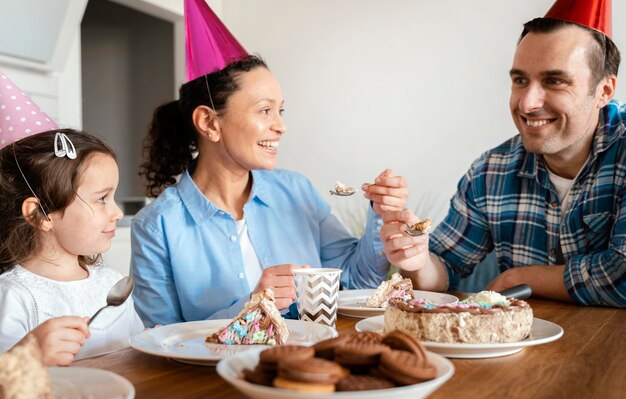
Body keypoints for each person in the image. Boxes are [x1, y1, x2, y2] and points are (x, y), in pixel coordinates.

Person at [130, 0, 408, 326]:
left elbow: (355, 282)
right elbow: (162, 340)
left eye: (281, 110)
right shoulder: (156, 227)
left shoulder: (296, 191)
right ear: (208, 123)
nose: (281, 125)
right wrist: (251, 307)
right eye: (265, 110)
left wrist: (380, 215)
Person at [381, 1, 626, 307]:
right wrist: (416, 259)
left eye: (554, 81)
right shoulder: (491, 172)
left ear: (604, 91)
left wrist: (517, 278)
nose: (526, 103)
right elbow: (445, 270)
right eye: (520, 80)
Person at [0, 129, 144, 365]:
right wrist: (29, 355)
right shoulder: (13, 296)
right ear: (41, 214)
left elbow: (137, 349)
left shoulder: (111, 283)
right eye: (101, 199)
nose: (118, 213)